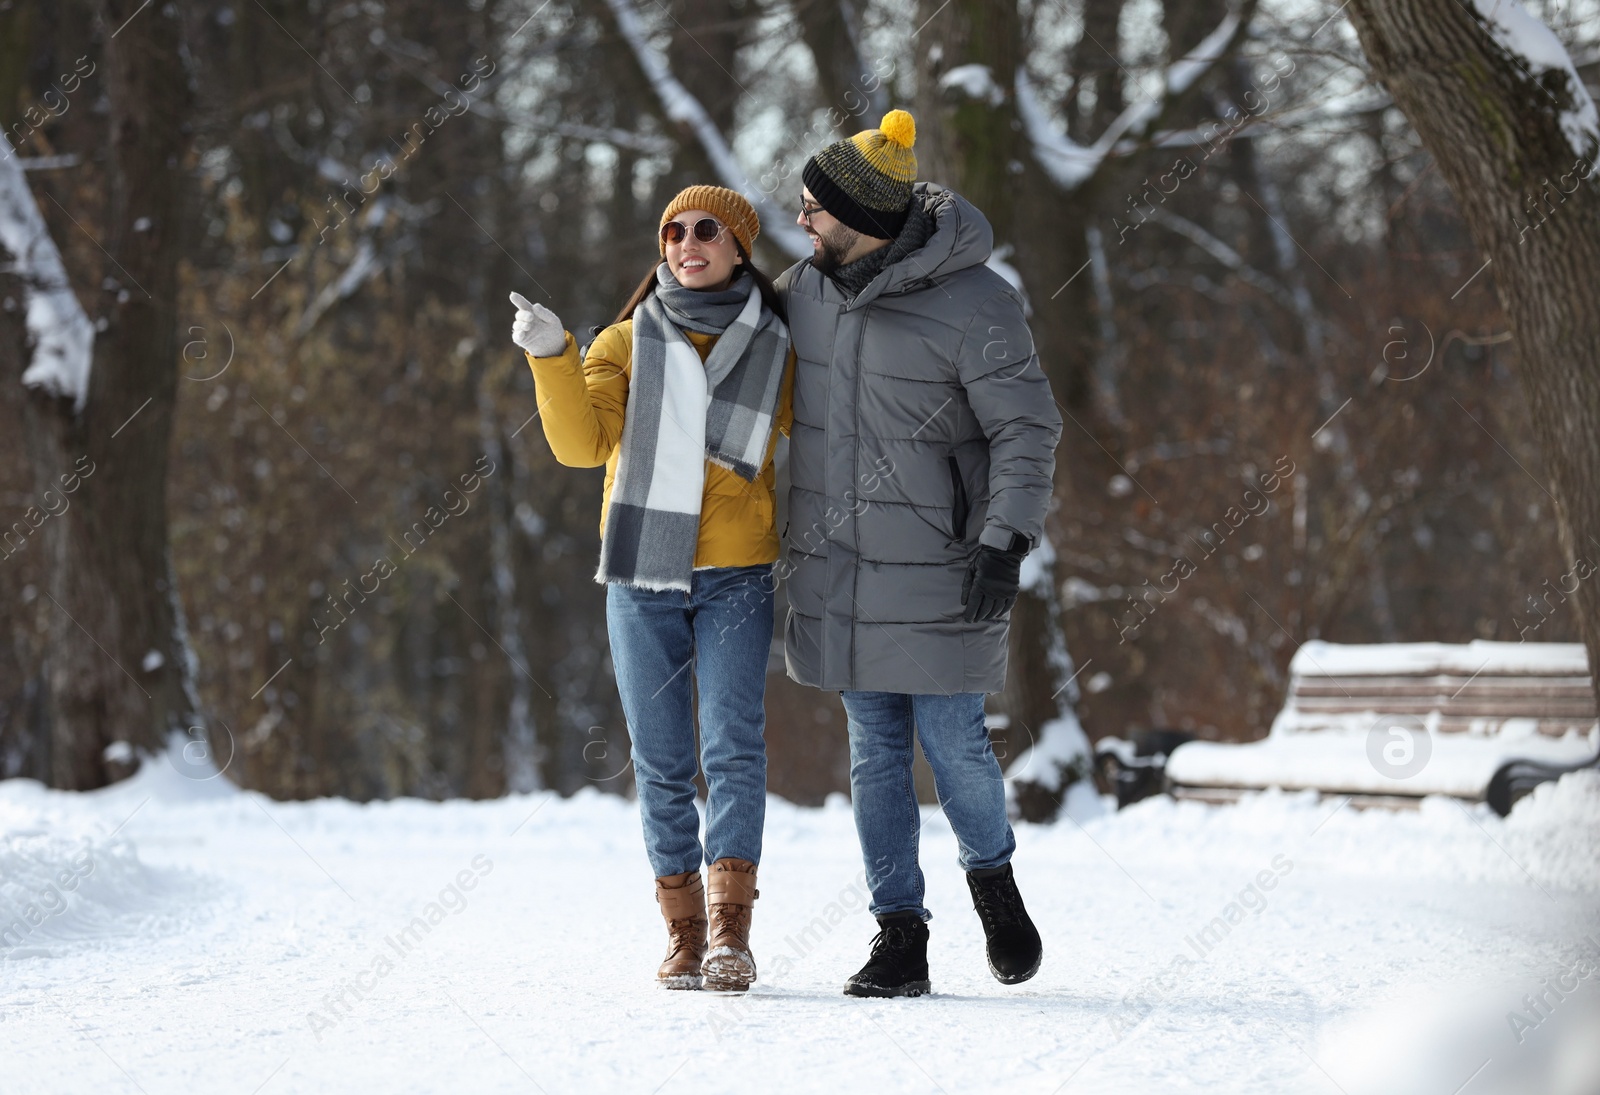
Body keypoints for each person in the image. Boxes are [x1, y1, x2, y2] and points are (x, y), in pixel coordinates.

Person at [775, 110, 1062, 997]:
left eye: (814, 207)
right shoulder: (803, 291)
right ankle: (899, 934)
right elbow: (718, 340)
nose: (801, 221)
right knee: (873, 753)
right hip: (844, 567)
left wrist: (1005, 538)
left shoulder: (977, 301)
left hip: (944, 561)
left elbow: (1026, 425)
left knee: (956, 743)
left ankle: (995, 886)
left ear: (862, 216)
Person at [509, 186, 794, 993]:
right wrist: (553, 355)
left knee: (733, 748)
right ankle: (683, 931)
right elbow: (580, 443)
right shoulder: (624, 343)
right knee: (662, 760)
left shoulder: (779, 344)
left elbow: (823, 439)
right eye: (672, 231)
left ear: (739, 245)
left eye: (707, 229)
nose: (686, 241)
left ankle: (733, 932)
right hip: (640, 574)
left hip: (738, 571)